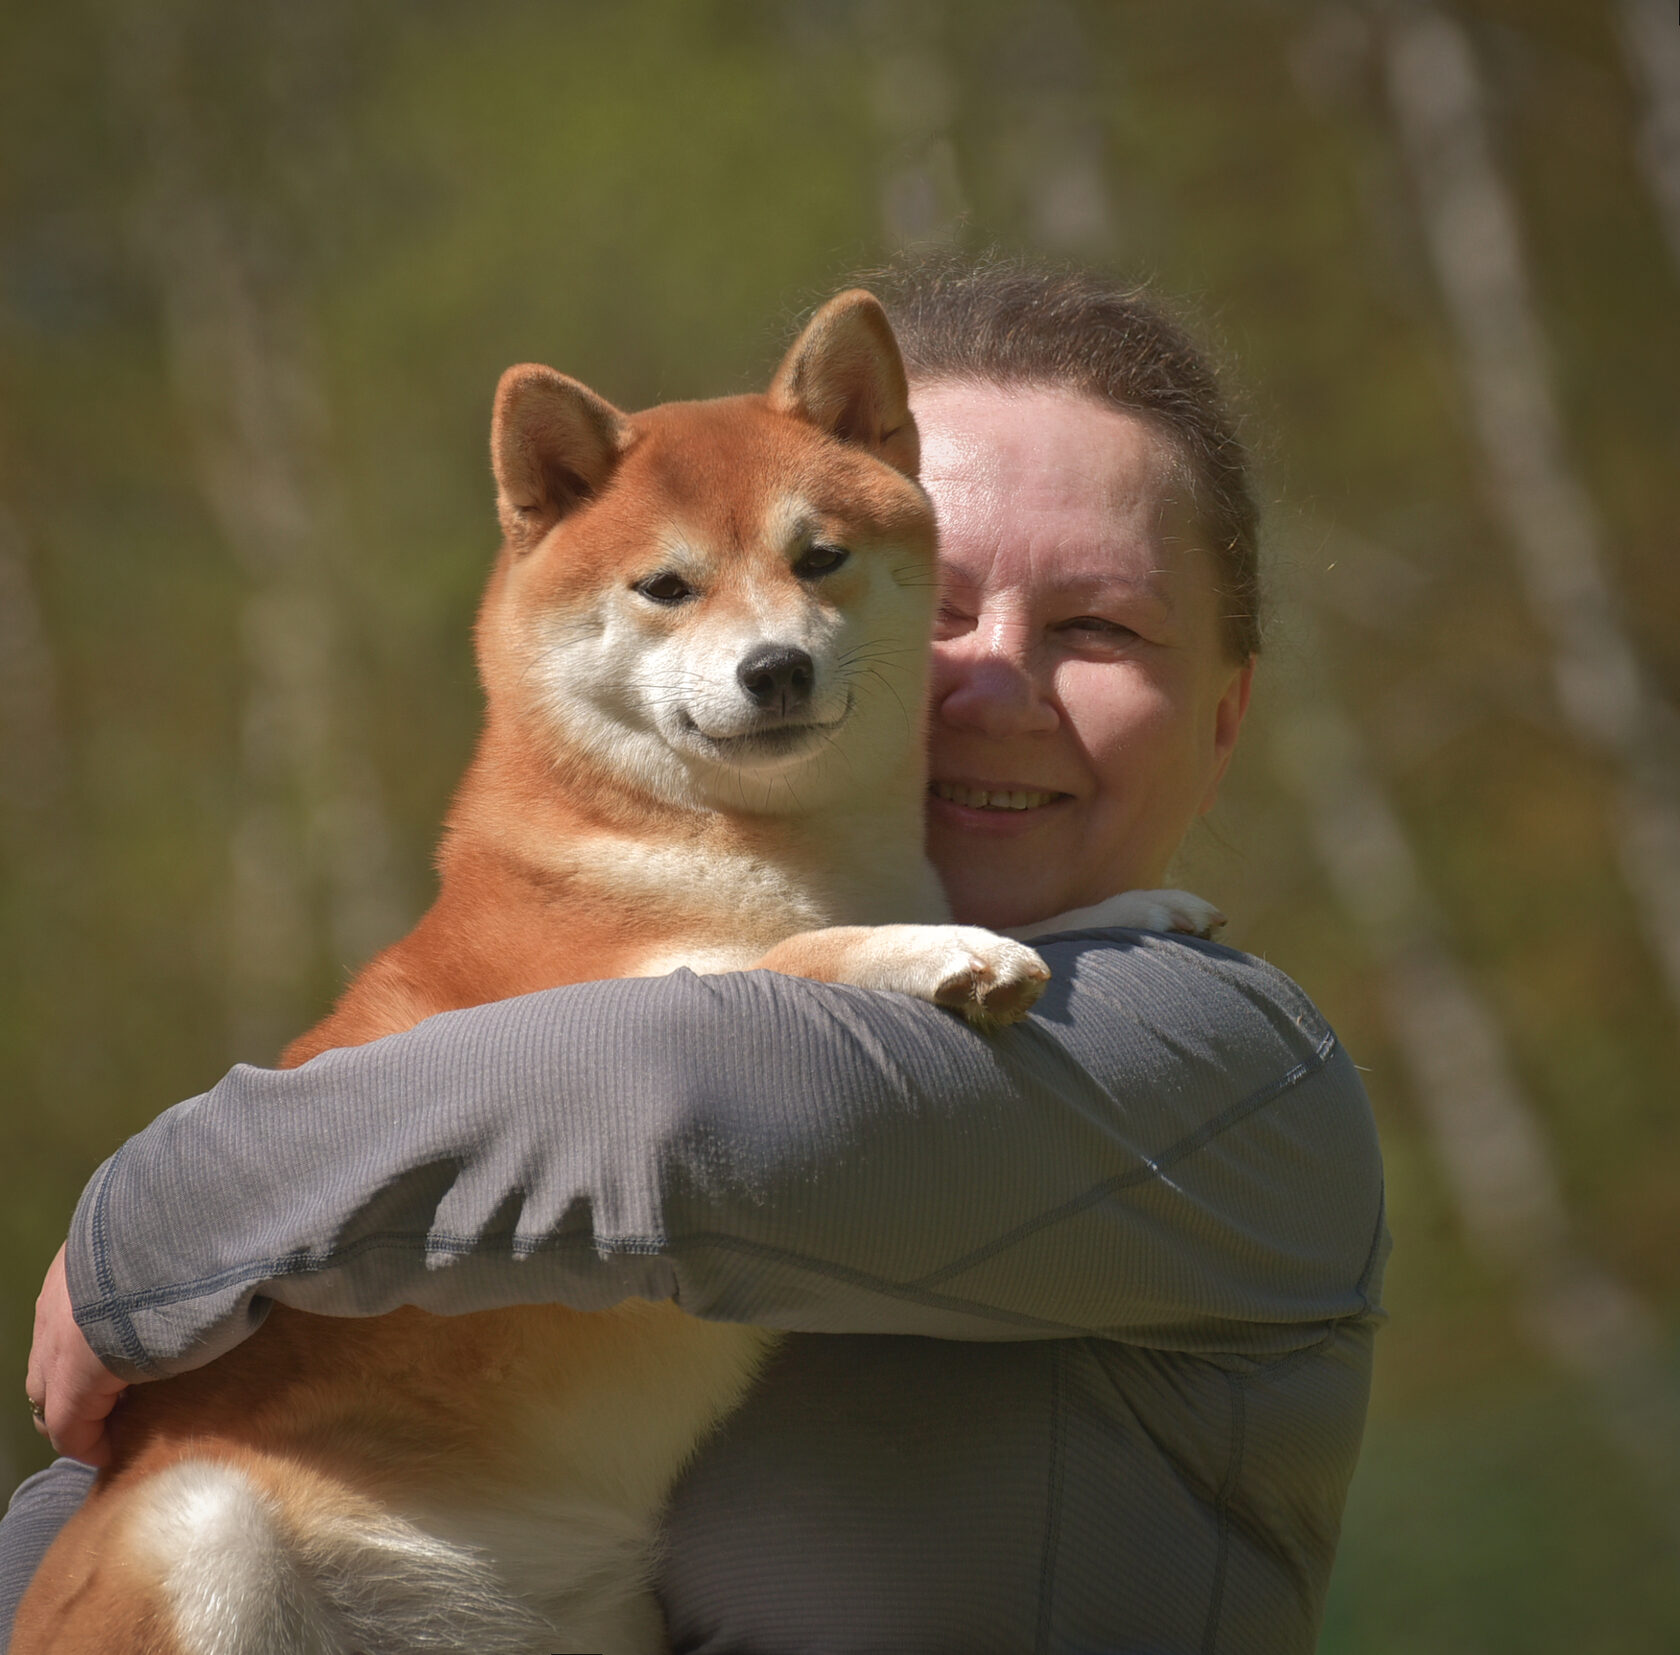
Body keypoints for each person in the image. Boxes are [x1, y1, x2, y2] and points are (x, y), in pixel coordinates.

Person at [4, 253, 1386, 1654]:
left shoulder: (1225, 1074)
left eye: (1099, 626)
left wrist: (157, 1227)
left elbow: (685, 1109)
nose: (988, 682)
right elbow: (100, 1504)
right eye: (951, 603)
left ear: (1226, 717)